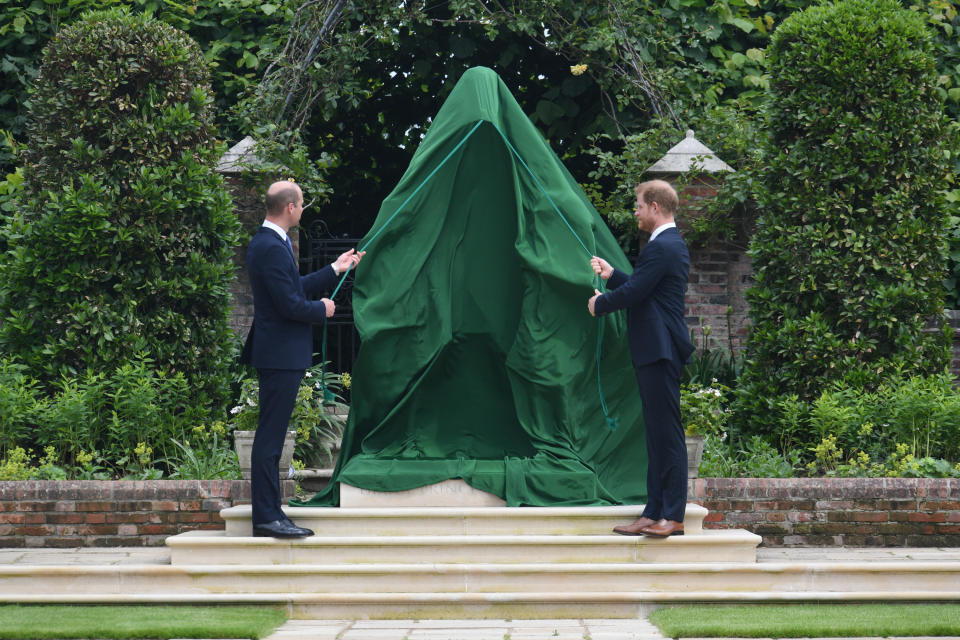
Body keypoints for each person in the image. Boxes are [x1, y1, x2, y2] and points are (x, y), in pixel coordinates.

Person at [241, 180, 364, 538]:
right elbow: (290, 305)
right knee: (270, 438)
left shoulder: (273, 243)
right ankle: (266, 518)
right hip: (278, 354)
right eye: (301, 205)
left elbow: (292, 286)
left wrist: (334, 269)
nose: (302, 209)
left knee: (273, 437)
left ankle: (271, 514)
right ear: (290, 208)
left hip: (281, 353)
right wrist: (321, 309)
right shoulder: (268, 246)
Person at [587, 179, 694, 538]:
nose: (635, 211)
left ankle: (673, 516)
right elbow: (644, 288)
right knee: (655, 434)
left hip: (661, 351)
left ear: (655, 207)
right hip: (654, 349)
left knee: (667, 435)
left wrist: (600, 303)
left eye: (638, 205)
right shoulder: (663, 246)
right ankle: (654, 512)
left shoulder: (663, 246)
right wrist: (612, 275)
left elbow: (636, 292)